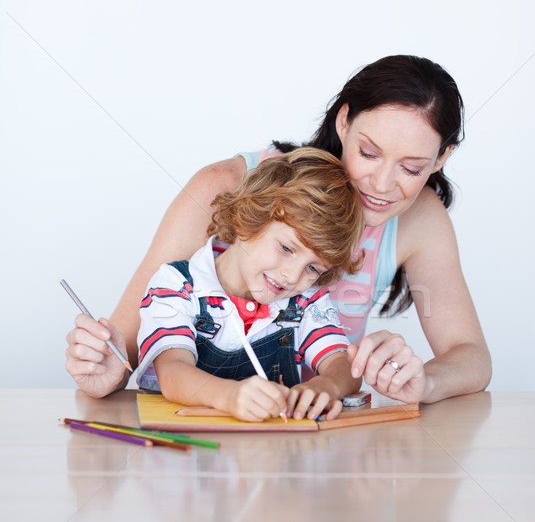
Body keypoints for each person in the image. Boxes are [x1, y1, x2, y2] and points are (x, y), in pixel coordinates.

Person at [65, 54, 491, 404]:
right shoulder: (225, 188)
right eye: (368, 152)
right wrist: (106, 369)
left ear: (441, 158)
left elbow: (471, 357)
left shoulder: (419, 218)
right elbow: (129, 346)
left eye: (412, 168)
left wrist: (423, 381)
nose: (380, 186)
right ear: (344, 121)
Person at [134, 148, 364, 422]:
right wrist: (229, 397)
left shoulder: (304, 302)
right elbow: (172, 371)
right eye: (287, 248)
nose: (292, 276)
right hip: (188, 452)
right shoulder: (177, 285)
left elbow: (345, 365)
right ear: (247, 220)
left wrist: (325, 386)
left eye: (313, 268)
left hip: (272, 455)